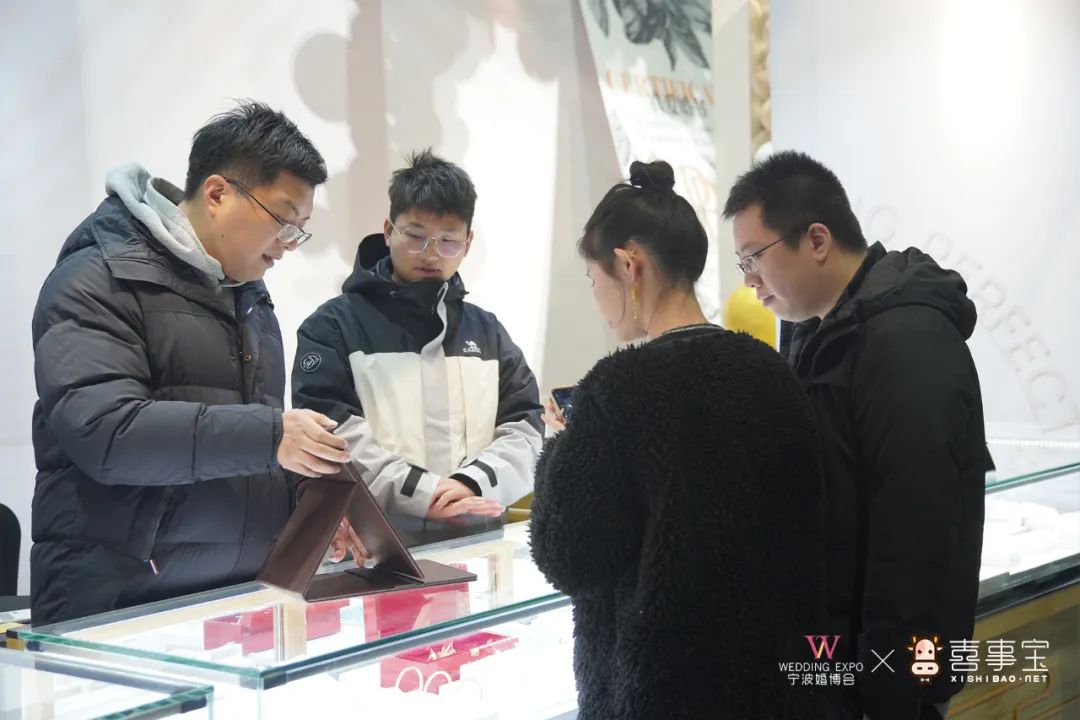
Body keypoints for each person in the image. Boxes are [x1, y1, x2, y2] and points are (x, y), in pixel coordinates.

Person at [30, 101, 352, 625]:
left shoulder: (249, 299)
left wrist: (307, 509)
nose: (289, 244)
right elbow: (105, 432)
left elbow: (243, 446)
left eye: (300, 229)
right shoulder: (99, 278)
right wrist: (273, 435)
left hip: (232, 602)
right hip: (117, 605)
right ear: (218, 193)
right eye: (282, 220)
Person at [529, 160, 826, 719]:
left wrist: (559, 449)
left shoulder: (617, 389)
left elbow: (567, 556)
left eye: (594, 279)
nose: (597, 297)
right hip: (776, 685)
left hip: (659, 692)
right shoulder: (769, 370)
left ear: (628, 265)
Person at [723, 150, 986, 720]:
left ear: (817, 240)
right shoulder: (815, 328)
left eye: (754, 258)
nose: (749, 280)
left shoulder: (906, 339)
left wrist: (884, 698)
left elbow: (914, 541)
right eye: (741, 263)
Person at [292, 149, 542, 540]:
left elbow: (525, 428)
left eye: (448, 241)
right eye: (416, 236)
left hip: (478, 542)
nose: (430, 254)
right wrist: (425, 493)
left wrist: (472, 484)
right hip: (379, 545)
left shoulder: (488, 332)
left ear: (468, 243)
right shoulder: (332, 327)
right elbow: (331, 435)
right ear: (388, 231)